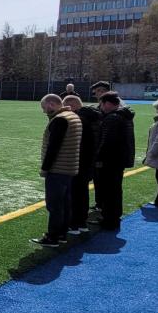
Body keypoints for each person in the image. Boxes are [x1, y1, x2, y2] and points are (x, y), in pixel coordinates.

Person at [32, 94, 82, 247]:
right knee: (65, 203)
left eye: (44, 108)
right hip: (69, 167)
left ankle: (53, 237)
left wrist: (45, 168)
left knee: (55, 205)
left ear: (51, 104)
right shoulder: (73, 116)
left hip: (58, 168)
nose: (44, 111)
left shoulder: (60, 120)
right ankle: (61, 234)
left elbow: (53, 148)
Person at [93, 92, 134, 231]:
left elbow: (107, 141)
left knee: (109, 191)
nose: (100, 107)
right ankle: (113, 216)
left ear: (108, 104)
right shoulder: (125, 116)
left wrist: (98, 158)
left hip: (110, 160)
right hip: (119, 159)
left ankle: (109, 219)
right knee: (115, 189)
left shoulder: (112, 118)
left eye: (101, 104)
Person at [63, 95, 99, 235]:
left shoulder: (78, 120)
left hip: (78, 161)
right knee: (82, 193)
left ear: (71, 106)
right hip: (89, 161)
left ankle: (73, 224)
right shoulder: (93, 117)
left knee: (74, 193)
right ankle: (81, 222)